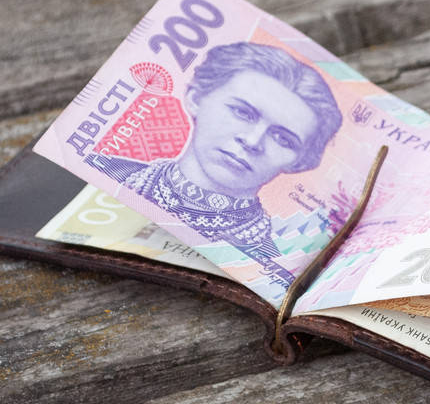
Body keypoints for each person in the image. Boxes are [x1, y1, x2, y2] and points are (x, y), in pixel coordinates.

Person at [96, 42, 343, 286]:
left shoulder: (268, 266)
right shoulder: (101, 173)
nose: (252, 141)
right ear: (196, 98)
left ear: (300, 162)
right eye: (243, 113)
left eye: (282, 138)